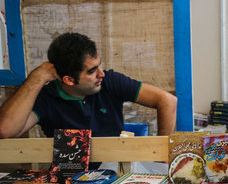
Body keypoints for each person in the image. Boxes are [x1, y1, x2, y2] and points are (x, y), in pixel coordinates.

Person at [0, 32, 177, 139]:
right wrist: (37, 76)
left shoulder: (109, 81)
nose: (101, 73)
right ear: (68, 80)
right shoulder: (47, 97)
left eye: (100, 65)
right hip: (69, 182)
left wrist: (161, 156)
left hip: (116, 177)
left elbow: (167, 100)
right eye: (92, 71)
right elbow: (5, 130)